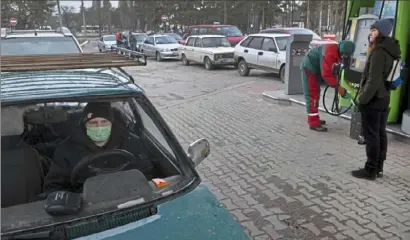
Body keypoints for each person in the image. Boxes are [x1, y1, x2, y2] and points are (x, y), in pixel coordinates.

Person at [43, 102, 155, 193]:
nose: (99, 127)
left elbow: (147, 172)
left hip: (127, 199)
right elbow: (53, 187)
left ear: (111, 123)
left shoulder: (131, 142)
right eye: (93, 123)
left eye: (104, 122)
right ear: (85, 124)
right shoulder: (66, 149)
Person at [351, 19, 401, 180]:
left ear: (381, 32)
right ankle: (378, 167)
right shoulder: (389, 49)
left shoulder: (378, 52)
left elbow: (373, 80)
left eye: (374, 30)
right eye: (371, 30)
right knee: (380, 134)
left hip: (373, 98)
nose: (370, 33)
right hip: (384, 97)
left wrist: (362, 99)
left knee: (371, 135)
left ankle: (370, 169)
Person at [300, 40, 356, 132]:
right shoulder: (329, 52)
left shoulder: (337, 50)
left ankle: (315, 117)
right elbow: (326, 74)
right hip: (309, 69)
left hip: (316, 70)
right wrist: (338, 87)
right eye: (344, 55)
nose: (344, 57)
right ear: (341, 51)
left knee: (316, 94)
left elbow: (331, 68)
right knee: (312, 95)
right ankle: (313, 123)